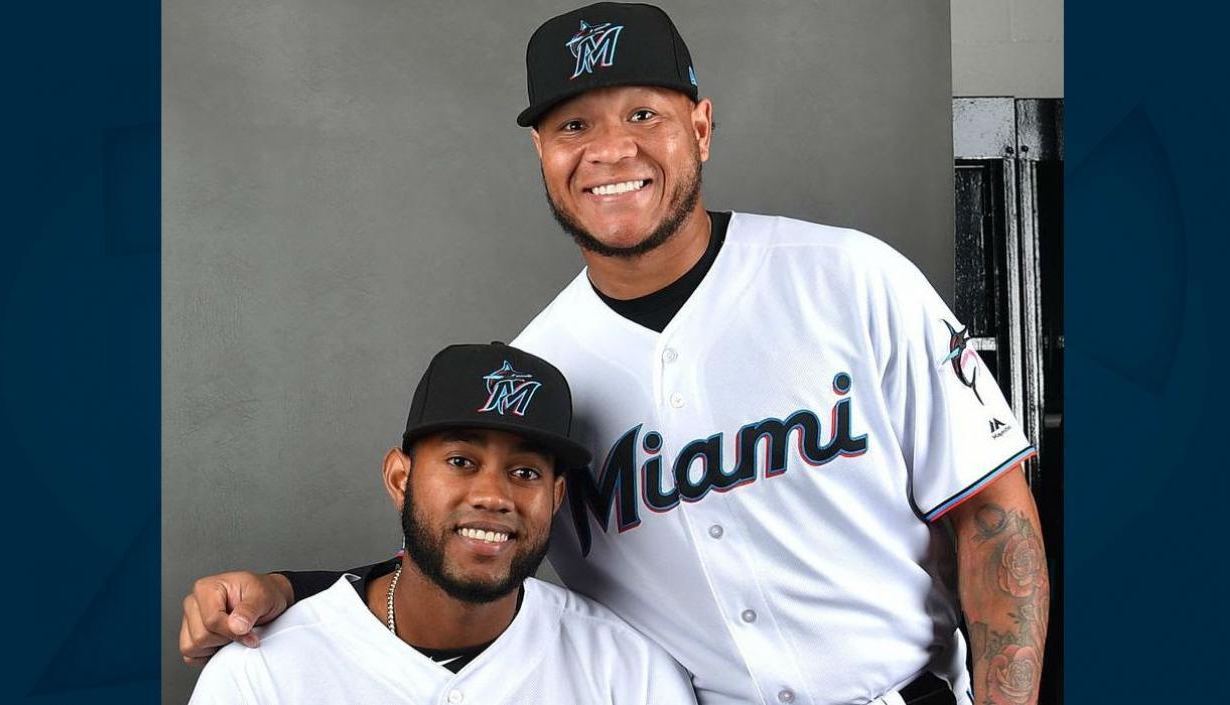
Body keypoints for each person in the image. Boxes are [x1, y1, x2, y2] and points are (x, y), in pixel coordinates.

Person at [180, 4, 1050, 705]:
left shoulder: (851, 278)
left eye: (644, 114)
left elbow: (993, 511)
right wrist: (289, 587)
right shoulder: (540, 375)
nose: (610, 150)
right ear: (542, 153)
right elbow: (474, 546)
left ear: (701, 126)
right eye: (574, 125)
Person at [186, 343, 698, 704]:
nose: (495, 496)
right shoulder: (264, 671)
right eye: (461, 462)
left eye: (525, 472)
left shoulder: (628, 673)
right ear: (399, 478)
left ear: (556, 496)